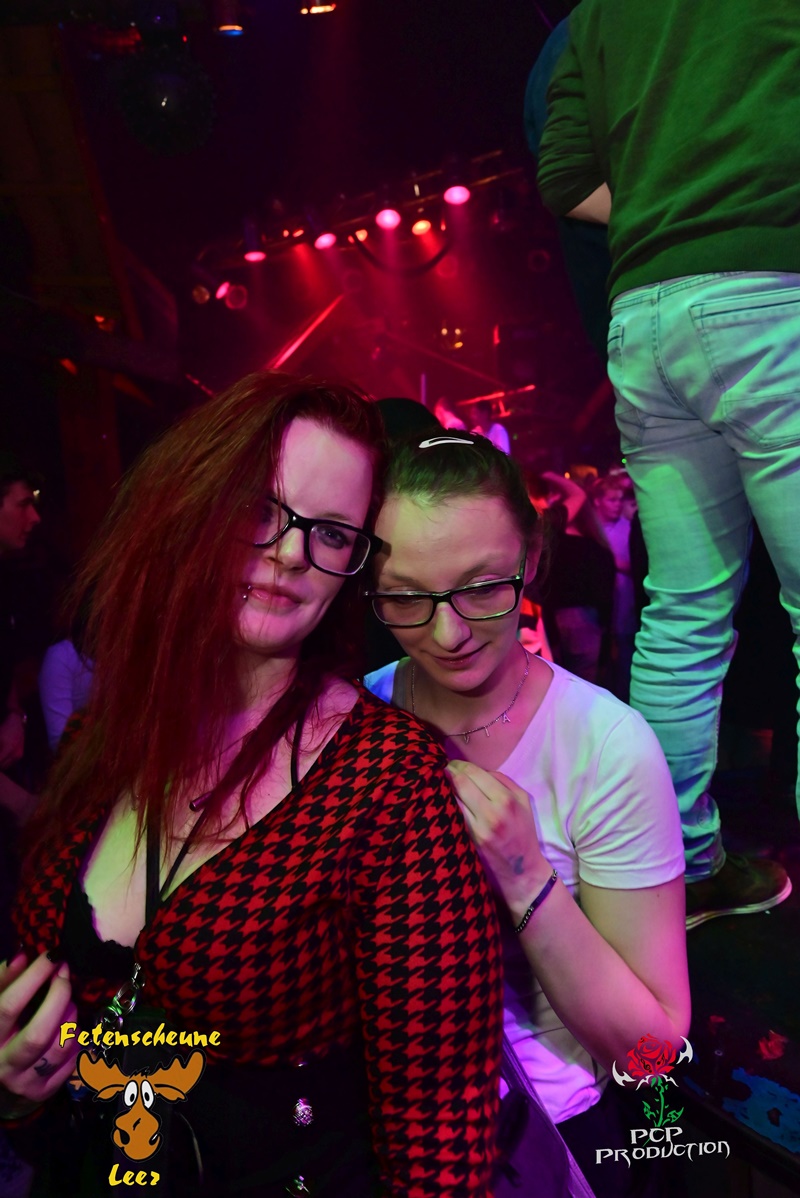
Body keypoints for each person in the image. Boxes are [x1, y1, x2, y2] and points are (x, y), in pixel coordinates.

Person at [0, 375, 504, 1197]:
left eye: (332, 533)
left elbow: (438, 1148)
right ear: (193, 503)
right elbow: (59, 1080)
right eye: (260, 509)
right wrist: (19, 1092)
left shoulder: (388, 782)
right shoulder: (104, 733)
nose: (292, 553)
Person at [364, 433, 690, 1196]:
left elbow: (653, 1052)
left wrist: (525, 877)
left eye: (483, 588)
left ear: (532, 559)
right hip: (383, 1131)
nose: (447, 634)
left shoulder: (604, 745)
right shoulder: (356, 712)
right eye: (406, 598)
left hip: (542, 1139)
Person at [536, 0, 797, 926]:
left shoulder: (595, 14)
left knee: (683, 616)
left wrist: (669, 212)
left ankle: (679, 873)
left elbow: (565, 178)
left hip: (645, 318)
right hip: (769, 293)